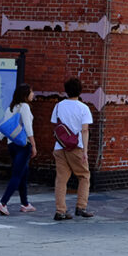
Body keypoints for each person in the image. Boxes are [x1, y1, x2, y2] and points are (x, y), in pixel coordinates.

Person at [0, 83, 37, 215]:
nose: (33, 94)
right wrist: (33, 145)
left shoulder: (10, 108)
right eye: (31, 92)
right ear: (25, 95)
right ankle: (3, 203)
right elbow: (28, 127)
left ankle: (25, 204)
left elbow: (4, 128)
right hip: (23, 145)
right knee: (16, 175)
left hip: (11, 145)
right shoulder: (25, 107)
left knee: (23, 173)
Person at [52, 77, 94, 220]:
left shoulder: (58, 106)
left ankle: (60, 210)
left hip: (60, 146)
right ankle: (81, 207)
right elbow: (85, 131)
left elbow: (55, 125)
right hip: (76, 147)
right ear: (80, 91)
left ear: (66, 91)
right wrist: (85, 152)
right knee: (84, 176)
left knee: (61, 179)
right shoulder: (84, 108)